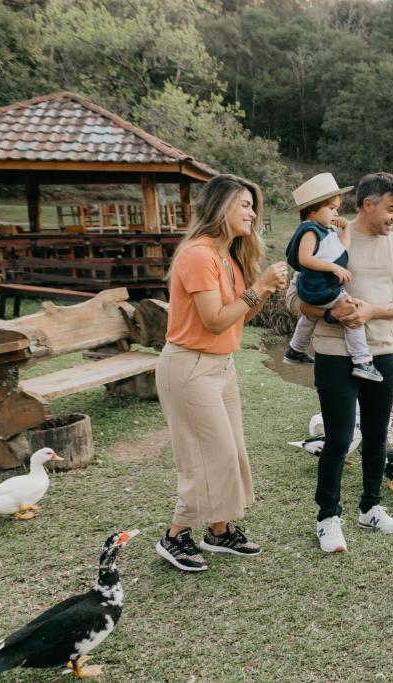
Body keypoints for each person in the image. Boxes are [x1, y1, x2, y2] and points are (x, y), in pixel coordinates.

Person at [154, 174, 288, 572]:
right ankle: (174, 536)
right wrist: (258, 285)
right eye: (244, 205)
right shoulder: (198, 255)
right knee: (205, 457)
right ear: (220, 207)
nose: (252, 213)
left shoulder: (228, 256)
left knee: (231, 453)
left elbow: (239, 318)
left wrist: (262, 290)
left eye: (253, 206)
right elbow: (213, 321)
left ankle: (218, 531)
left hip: (220, 366)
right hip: (190, 367)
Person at [285, 172, 393, 553]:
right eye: (391, 209)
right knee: (340, 439)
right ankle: (328, 517)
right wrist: (331, 315)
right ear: (368, 204)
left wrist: (372, 311)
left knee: (377, 437)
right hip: (334, 356)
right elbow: (293, 300)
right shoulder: (327, 238)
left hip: (383, 352)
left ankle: (371, 508)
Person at [282, 173, 381, 382]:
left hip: (316, 289)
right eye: (331, 208)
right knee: (351, 314)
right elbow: (304, 259)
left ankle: (295, 350)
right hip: (321, 288)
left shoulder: (324, 230)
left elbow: (342, 252)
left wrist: (345, 231)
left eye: (336, 208)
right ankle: (363, 361)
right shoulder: (309, 231)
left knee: (309, 317)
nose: (335, 213)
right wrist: (333, 269)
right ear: (312, 209)